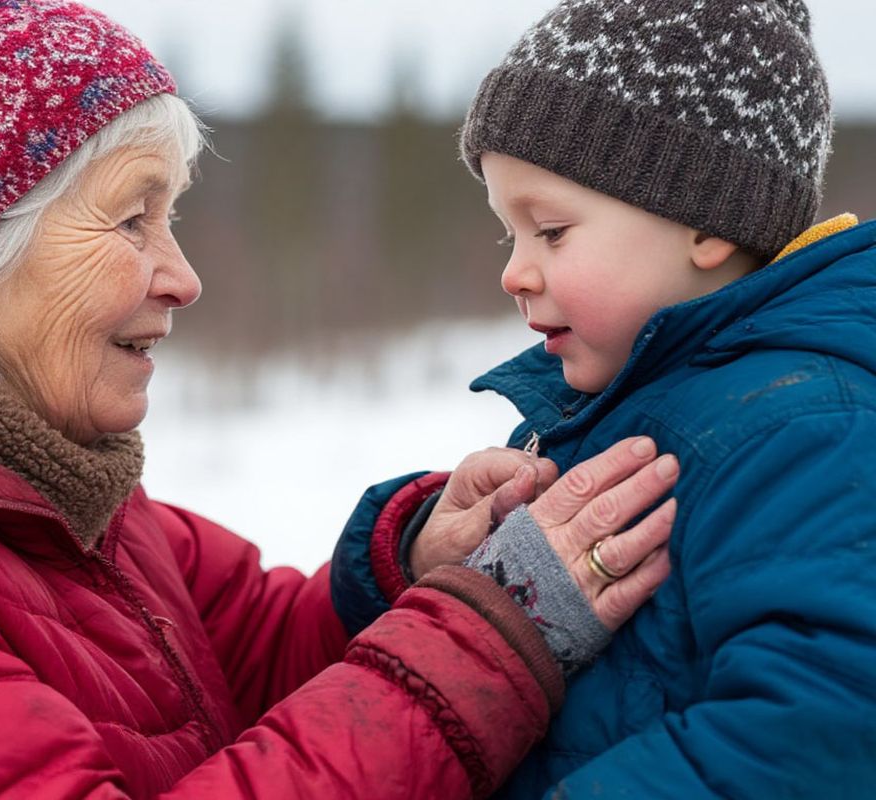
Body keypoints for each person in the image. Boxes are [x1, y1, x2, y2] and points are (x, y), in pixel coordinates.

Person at [0, 1, 678, 797]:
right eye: (130, 219)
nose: (183, 276)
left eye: (176, 215)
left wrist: (417, 567)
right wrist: (487, 637)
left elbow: (238, 656)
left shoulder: (23, 474)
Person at [354, 0, 876, 796]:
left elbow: (819, 730)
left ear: (708, 220)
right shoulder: (605, 402)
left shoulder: (804, 430)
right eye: (509, 234)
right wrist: (422, 557)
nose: (514, 272)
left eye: (551, 231)